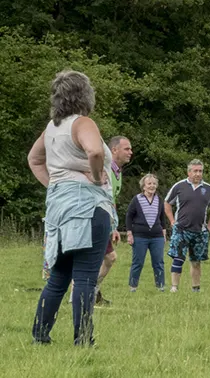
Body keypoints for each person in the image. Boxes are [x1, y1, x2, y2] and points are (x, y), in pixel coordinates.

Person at [29, 70, 115, 346]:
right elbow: (95, 152)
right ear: (85, 95)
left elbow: (34, 159)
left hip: (59, 207)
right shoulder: (82, 123)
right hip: (88, 207)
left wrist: (54, 185)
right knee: (86, 277)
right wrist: (96, 175)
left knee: (59, 276)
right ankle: (83, 340)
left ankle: (40, 335)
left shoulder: (52, 128)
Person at [164, 159, 210, 292]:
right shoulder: (179, 186)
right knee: (178, 258)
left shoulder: (208, 188)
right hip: (181, 229)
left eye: (200, 171)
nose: (198, 174)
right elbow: (167, 204)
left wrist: (209, 226)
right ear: (189, 172)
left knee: (196, 261)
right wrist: (172, 221)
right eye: (195, 171)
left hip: (199, 231)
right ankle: (174, 287)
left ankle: (196, 288)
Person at [93, 135, 133, 305]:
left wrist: (114, 227)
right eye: (127, 149)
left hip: (106, 220)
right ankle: (83, 295)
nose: (130, 152)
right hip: (94, 217)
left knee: (108, 258)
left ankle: (91, 292)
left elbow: (112, 199)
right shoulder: (105, 168)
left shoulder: (117, 172)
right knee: (100, 258)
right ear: (114, 150)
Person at [125, 174, 168, 292]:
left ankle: (160, 286)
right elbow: (129, 216)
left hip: (157, 236)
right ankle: (133, 287)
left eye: (154, 184)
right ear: (143, 186)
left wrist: (164, 234)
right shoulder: (136, 199)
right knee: (138, 262)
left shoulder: (159, 200)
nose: (152, 186)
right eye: (149, 184)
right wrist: (129, 234)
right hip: (139, 236)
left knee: (158, 262)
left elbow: (162, 218)